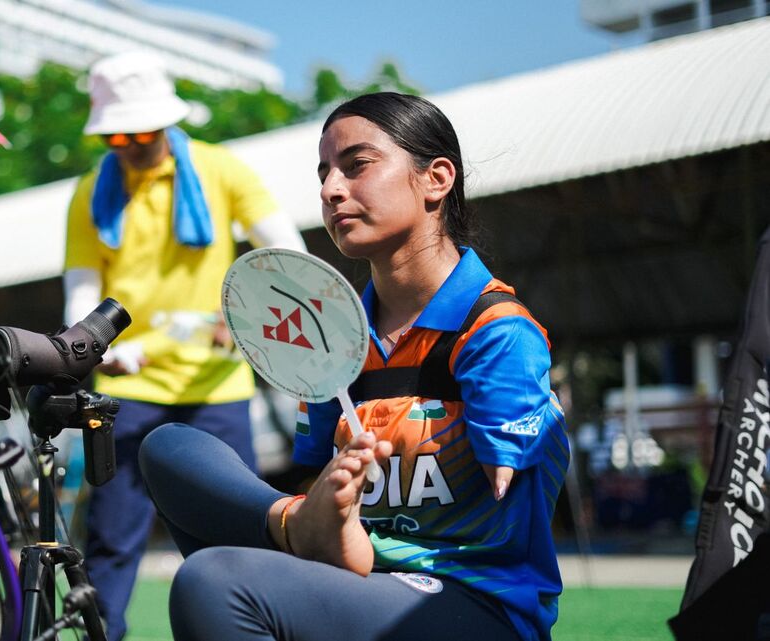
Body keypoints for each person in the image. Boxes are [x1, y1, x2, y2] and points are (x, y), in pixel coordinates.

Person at [138, 92, 570, 641]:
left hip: (472, 603)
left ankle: (300, 532)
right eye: (324, 174)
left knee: (214, 579)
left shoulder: (497, 332)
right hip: (353, 581)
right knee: (167, 447)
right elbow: (318, 479)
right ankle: (297, 529)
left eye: (357, 166)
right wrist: (322, 516)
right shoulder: (329, 337)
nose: (330, 190)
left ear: (436, 178)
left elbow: (519, 497)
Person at [62, 50, 306, 640]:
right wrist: (95, 350)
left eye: (140, 129)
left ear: (166, 121)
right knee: (113, 542)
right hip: (126, 388)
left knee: (240, 532)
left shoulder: (223, 171)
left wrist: (248, 311)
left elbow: (286, 257)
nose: (128, 142)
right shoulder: (90, 192)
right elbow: (80, 294)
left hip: (216, 388)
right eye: (114, 133)